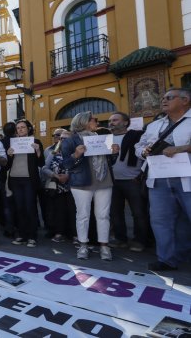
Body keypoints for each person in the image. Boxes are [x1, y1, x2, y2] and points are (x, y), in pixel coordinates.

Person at [135, 87, 191, 271]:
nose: (164, 101)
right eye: (163, 98)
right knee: (160, 220)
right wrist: (142, 151)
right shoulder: (154, 125)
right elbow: (139, 145)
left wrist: (182, 148)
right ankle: (166, 259)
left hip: (187, 178)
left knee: (185, 220)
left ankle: (182, 253)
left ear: (185, 100)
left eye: (169, 97)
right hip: (158, 179)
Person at [61, 111, 119, 261]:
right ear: (84, 121)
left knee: (103, 215)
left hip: (104, 181)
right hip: (81, 182)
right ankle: (83, 245)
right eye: (94, 119)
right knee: (83, 215)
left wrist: (114, 154)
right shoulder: (70, 141)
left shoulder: (101, 139)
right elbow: (66, 164)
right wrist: (76, 155)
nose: (97, 122)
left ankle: (104, 246)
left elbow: (109, 162)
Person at [108, 112, 150, 252]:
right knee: (115, 212)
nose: (111, 122)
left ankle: (140, 240)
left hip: (133, 180)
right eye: (110, 120)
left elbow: (145, 155)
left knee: (138, 213)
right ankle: (121, 239)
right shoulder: (105, 139)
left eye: (115, 120)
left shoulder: (137, 136)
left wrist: (140, 176)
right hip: (112, 181)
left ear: (125, 122)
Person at [7, 119, 45, 248]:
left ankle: (32, 236)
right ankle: (22, 235)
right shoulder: (12, 143)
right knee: (19, 208)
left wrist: (38, 151)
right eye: (18, 128)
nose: (20, 129)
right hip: (15, 179)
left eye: (23, 127)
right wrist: (9, 155)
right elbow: (7, 164)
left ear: (28, 128)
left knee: (30, 207)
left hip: (29, 179)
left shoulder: (36, 142)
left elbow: (41, 163)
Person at [41, 130, 76, 242]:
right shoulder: (53, 153)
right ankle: (59, 232)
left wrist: (67, 175)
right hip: (57, 186)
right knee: (59, 210)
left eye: (66, 138)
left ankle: (75, 234)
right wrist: (54, 175)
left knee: (73, 211)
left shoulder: (76, 152)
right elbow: (44, 168)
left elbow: (80, 168)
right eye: (61, 138)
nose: (63, 140)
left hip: (73, 186)